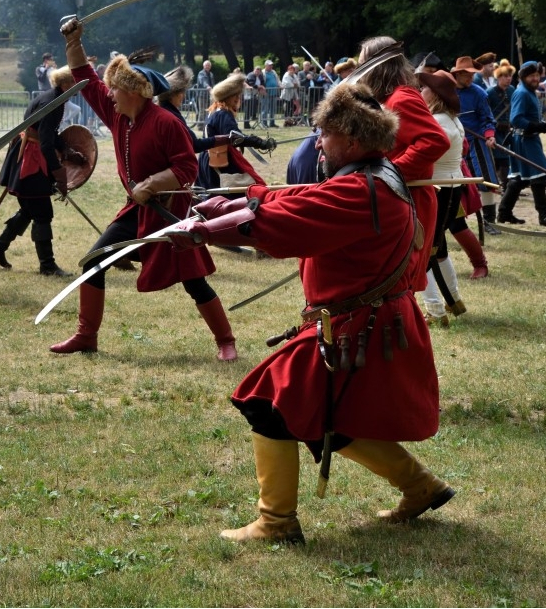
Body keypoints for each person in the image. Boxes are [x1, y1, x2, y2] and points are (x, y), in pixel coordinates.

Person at [167, 82, 454, 544]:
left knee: (267, 402)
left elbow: (283, 223)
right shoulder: (376, 176)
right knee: (324, 414)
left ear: (353, 142)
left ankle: (276, 522)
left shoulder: (363, 191)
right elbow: (292, 201)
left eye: (325, 135)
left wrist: (205, 231)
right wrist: (228, 203)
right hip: (365, 320)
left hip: (358, 324)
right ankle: (421, 487)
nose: (318, 143)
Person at [50, 17, 240, 362]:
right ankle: (85, 336)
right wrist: (73, 43)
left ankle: (226, 341)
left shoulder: (166, 123)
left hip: (169, 212)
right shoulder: (118, 114)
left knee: (193, 280)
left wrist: (152, 184)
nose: (109, 94)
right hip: (135, 210)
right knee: (94, 261)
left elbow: (185, 169)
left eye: (115, 89)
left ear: (134, 92)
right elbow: (86, 79)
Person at [357, 37, 449, 295]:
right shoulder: (391, 98)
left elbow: (434, 140)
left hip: (410, 199)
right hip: (397, 198)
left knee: (399, 287)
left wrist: (392, 173)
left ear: (378, 67)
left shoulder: (402, 98)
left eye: (364, 64)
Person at [0, 65, 76, 277]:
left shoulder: (54, 97)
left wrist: (66, 148)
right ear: (65, 84)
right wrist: (57, 172)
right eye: (74, 84)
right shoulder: (52, 103)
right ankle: (47, 265)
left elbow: (49, 133)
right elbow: (45, 143)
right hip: (31, 160)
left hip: (28, 153)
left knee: (30, 208)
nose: (77, 89)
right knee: (42, 211)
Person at [417, 70, 473, 325]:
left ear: (435, 94)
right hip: (452, 188)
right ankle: (454, 301)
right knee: (439, 249)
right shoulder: (452, 120)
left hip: (437, 190)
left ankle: (435, 309)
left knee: (424, 250)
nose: (420, 93)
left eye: (424, 89)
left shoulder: (436, 121)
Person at [498, 61, 546, 226]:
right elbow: (516, 119)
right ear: (524, 76)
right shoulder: (522, 93)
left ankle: (504, 213)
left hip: (529, 138)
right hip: (525, 140)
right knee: (540, 176)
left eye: (537, 75)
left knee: (520, 179)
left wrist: (539, 125)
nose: (535, 78)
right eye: (531, 75)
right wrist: (535, 126)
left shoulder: (530, 92)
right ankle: (544, 216)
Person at [194, 73, 270, 192]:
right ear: (232, 98)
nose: (239, 99)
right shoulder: (224, 113)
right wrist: (259, 142)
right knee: (245, 192)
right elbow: (235, 137)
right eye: (237, 96)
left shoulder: (215, 111)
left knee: (210, 197)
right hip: (218, 162)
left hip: (207, 160)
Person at [451, 56, 500, 234]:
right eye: (467, 75)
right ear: (458, 74)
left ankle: (489, 222)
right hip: (455, 143)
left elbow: (487, 119)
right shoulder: (446, 92)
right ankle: (456, 223)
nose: (471, 78)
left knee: (486, 181)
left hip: (477, 141)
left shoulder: (479, 93)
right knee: (456, 184)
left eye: (472, 74)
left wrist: (490, 136)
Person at [486, 59, 516, 193]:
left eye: (510, 76)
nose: (508, 78)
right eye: (505, 76)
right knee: (496, 158)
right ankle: (495, 184)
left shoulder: (512, 90)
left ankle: (505, 184)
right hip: (495, 130)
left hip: (508, 130)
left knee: (506, 158)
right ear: (498, 77)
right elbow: (486, 112)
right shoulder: (490, 92)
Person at [260, 60, 279, 127]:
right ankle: (264, 123)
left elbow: (277, 80)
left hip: (273, 92)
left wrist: (280, 85)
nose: (271, 66)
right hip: (265, 93)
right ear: (266, 65)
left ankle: (272, 123)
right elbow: (261, 82)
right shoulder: (262, 72)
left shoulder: (273, 72)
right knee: (265, 109)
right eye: (269, 65)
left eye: (271, 65)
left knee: (273, 109)